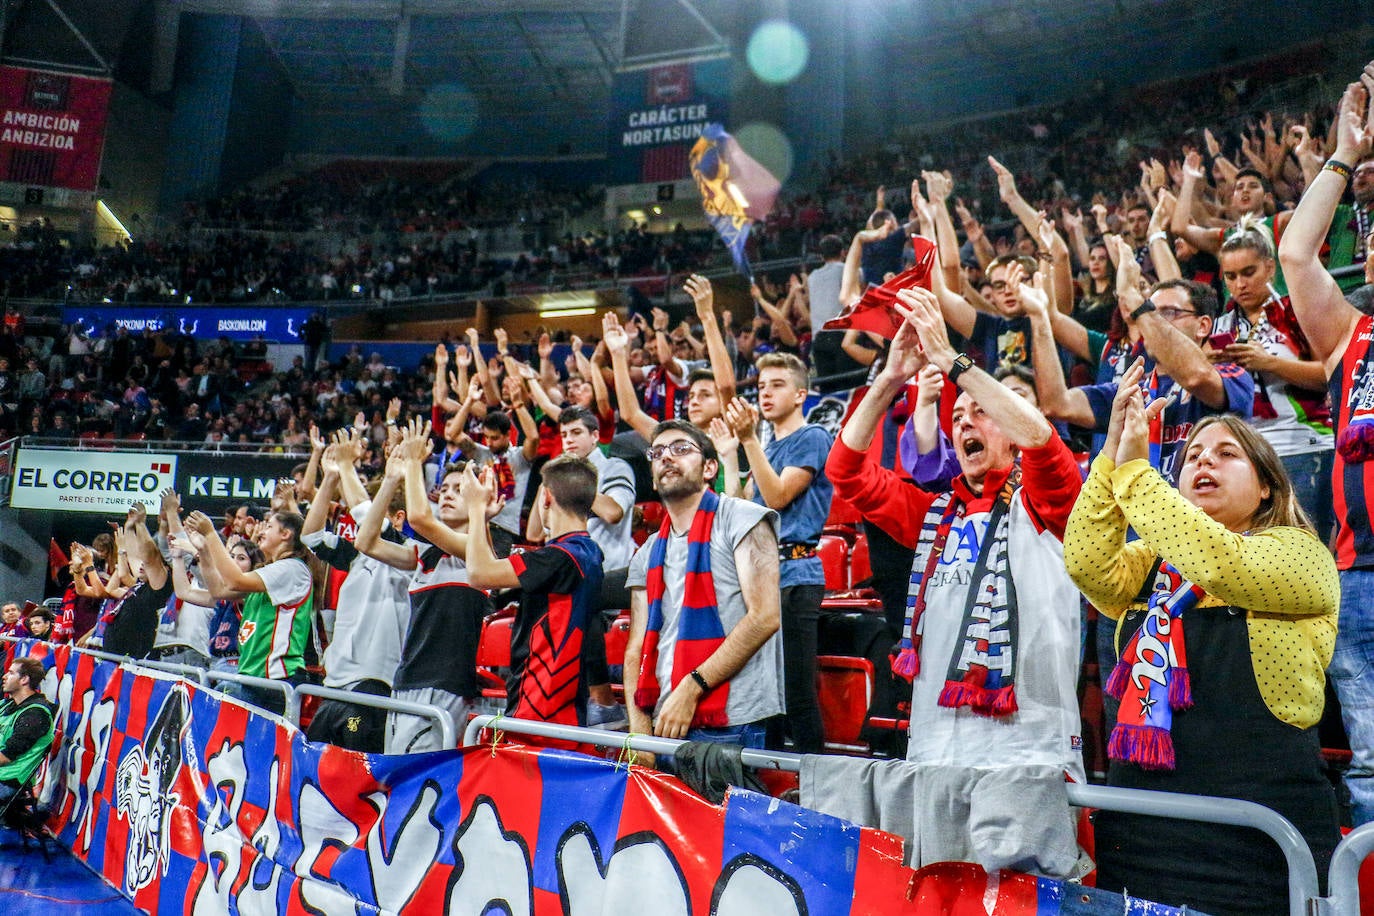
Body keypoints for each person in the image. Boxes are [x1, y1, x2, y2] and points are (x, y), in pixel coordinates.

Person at [1063, 368, 1340, 916]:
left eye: (1226, 454)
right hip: (1141, 834)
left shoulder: (1303, 556)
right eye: (1192, 455)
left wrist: (1140, 475)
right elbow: (1086, 562)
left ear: (1267, 486)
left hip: (1259, 841)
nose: (1203, 461)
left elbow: (1220, 562)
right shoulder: (1150, 563)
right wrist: (1111, 462)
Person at [825, 286, 1085, 778]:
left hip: (1029, 746)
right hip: (937, 740)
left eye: (981, 412)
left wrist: (950, 358)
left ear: (1010, 426)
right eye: (958, 416)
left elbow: (1043, 442)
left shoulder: (1050, 500)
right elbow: (845, 471)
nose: (965, 421)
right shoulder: (934, 513)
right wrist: (890, 379)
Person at [1277, 63, 1374, 826]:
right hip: (1359, 577)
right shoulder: (1351, 335)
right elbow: (1298, 255)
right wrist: (1343, 153)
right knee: (1371, 765)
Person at [624, 420, 784, 749]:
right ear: (652, 479)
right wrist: (640, 732)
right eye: (657, 453)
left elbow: (764, 617)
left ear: (710, 467)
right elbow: (636, 648)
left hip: (730, 721)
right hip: (662, 720)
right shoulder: (648, 551)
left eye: (681, 449)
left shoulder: (742, 518)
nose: (667, 457)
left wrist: (691, 686)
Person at [354, 420, 490, 754]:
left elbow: (418, 519)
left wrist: (415, 462)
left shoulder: (480, 545)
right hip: (408, 680)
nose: (447, 494)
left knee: (420, 784)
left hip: (446, 685)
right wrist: (391, 479)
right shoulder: (426, 553)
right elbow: (366, 541)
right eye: (444, 488)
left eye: (459, 489)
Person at [723, 351, 833, 753]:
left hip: (797, 575)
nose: (765, 393)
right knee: (766, 694)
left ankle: (815, 785)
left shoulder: (814, 436)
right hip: (763, 577)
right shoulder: (766, 448)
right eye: (761, 386)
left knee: (797, 691)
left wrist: (750, 440)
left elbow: (777, 496)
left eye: (777, 385)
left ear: (801, 393)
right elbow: (739, 506)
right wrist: (728, 453)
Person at [1207, 217, 1333, 542]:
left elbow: (1330, 374)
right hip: (1246, 458)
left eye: (1249, 273)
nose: (1240, 285)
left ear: (1269, 268)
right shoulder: (1221, 327)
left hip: (1304, 447)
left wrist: (1269, 363)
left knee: (1306, 554)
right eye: (1231, 277)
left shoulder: (1297, 313)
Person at [461, 455, 604, 726]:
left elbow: (479, 574)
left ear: (546, 497)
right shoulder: (588, 552)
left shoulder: (558, 557)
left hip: (539, 705)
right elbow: (492, 570)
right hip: (564, 706)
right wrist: (484, 522)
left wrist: (476, 509)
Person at [300, 435, 413, 752]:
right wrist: (331, 477)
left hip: (375, 680)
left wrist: (347, 464)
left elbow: (367, 518)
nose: (358, 523)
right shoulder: (355, 556)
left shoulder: (408, 558)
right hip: (336, 680)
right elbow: (311, 537)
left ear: (398, 518)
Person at [184, 507, 315, 716]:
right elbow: (219, 590)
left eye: (269, 526)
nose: (262, 531)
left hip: (276, 679)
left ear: (286, 534)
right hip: (254, 676)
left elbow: (235, 580)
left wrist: (211, 534)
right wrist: (206, 552)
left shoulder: (293, 569)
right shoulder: (271, 572)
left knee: (215, 710)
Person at [0, 657, 53, 807]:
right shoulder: (7, 705)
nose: (4, 676)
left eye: (10, 673)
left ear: (24, 679)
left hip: (9, 781)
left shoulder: (36, 715)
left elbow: (5, 757)